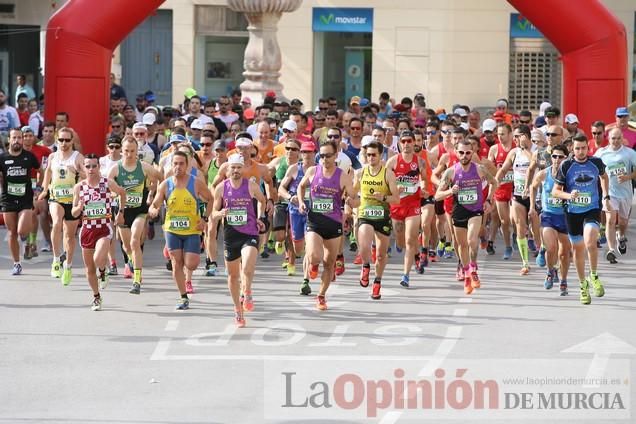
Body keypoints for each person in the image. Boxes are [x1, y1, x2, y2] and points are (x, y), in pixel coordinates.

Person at [297, 139, 358, 310]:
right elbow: (301, 187)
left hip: (333, 223)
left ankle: (321, 296)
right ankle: (313, 266)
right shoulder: (312, 171)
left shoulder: (342, 176)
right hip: (315, 220)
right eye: (321, 156)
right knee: (313, 256)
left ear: (336, 155)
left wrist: (350, 203)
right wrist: (302, 202)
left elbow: (353, 196)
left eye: (328, 156)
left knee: (329, 263)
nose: (324, 159)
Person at [148, 151, 213, 310]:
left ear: (188, 165)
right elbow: (155, 204)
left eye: (181, 163)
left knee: (191, 264)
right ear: (171, 165)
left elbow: (210, 199)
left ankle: (187, 257)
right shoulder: (166, 184)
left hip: (192, 230)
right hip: (172, 230)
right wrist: (153, 210)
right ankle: (183, 297)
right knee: (177, 264)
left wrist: (204, 219)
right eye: (175, 163)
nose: (178, 167)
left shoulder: (196, 183)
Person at [552, 135, 610, 305]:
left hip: (592, 209)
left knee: (591, 242)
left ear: (587, 147)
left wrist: (606, 196)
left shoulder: (596, 163)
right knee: (578, 250)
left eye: (583, 148)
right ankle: (583, 285)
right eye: (577, 148)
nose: (580, 151)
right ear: (572, 149)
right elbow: (556, 191)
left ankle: (594, 275)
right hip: (572, 212)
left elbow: (604, 177)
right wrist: (569, 195)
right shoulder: (566, 165)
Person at [436, 138, 497, 294]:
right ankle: (467, 275)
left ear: (473, 153)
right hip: (458, 211)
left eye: (468, 152)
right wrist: (451, 191)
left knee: (471, 240)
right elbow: (437, 196)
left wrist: (489, 199)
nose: (464, 155)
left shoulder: (480, 169)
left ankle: (473, 268)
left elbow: (494, 182)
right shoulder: (451, 171)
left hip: (476, 210)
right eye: (461, 152)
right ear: (456, 153)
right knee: (462, 245)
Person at [212, 154, 267, 327]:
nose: (236, 171)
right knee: (233, 275)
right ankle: (238, 310)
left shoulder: (251, 186)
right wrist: (219, 214)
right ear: (227, 170)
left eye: (239, 167)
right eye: (233, 167)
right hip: (230, 235)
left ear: (243, 169)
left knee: (249, 262)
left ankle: (248, 290)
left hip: (249, 232)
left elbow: (262, 200)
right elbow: (213, 213)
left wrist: (260, 217)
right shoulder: (221, 188)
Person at [71, 154, 126, 310]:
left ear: (99, 167)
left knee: (98, 259)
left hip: (104, 228)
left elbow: (122, 193)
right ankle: (96, 297)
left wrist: (120, 212)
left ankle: (102, 271)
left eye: (94, 166)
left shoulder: (107, 183)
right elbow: (74, 213)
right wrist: (79, 207)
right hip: (87, 230)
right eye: (87, 166)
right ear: (83, 168)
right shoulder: (79, 187)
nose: (91, 169)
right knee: (89, 269)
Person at [109, 137, 160, 294]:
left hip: (139, 211)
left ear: (137, 151)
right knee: (126, 246)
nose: (129, 154)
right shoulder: (115, 169)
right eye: (126, 151)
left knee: (135, 241)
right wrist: (115, 193)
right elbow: (109, 187)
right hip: (123, 211)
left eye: (132, 151)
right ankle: (131, 259)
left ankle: (137, 280)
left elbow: (159, 180)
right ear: (121, 151)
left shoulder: (144, 167)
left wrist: (151, 192)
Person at [353, 142, 399, 299]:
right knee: (364, 246)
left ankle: (377, 282)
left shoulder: (388, 174)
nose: (371, 157)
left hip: (382, 217)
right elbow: (353, 193)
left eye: (374, 155)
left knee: (380, 255)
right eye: (368, 155)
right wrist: (348, 202)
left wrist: (384, 197)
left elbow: (397, 199)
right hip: (365, 214)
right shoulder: (360, 173)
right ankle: (366, 266)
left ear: (381, 156)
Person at [39, 127, 85, 284]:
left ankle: (68, 266)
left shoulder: (78, 157)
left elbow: (88, 175)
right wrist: (45, 190)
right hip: (56, 198)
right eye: (61, 140)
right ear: (57, 140)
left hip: (72, 201)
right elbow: (48, 173)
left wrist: (78, 171)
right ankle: (56, 259)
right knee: (57, 222)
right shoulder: (53, 156)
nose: (64, 143)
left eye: (67, 140)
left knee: (69, 236)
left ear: (72, 141)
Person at [385, 130, 430, 287]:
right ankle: (415, 254)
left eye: (409, 141)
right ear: (399, 144)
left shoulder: (419, 162)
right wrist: (396, 187)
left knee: (410, 239)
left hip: (413, 204)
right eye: (403, 141)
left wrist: (423, 189)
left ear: (414, 143)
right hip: (397, 205)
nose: (406, 144)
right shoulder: (392, 162)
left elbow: (424, 179)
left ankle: (405, 275)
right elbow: (386, 183)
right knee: (401, 239)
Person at [529, 144, 571, 295]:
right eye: (554, 156)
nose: (557, 159)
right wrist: (532, 207)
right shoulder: (544, 174)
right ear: (550, 157)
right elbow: (533, 187)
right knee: (551, 247)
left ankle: (564, 280)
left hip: (565, 217)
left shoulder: (570, 175)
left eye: (561, 157)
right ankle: (549, 271)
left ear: (566, 158)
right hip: (548, 215)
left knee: (564, 253)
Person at [0, 129, 41, 275]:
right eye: (14, 138)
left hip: (25, 199)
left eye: (19, 138)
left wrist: (38, 188)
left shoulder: (29, 157)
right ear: (9, 140)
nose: (17, 140)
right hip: (8, 199)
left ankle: (27, 240)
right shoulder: (2, 158)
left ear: (22, 140)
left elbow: (40, 170)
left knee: (21, 230)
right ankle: (17, 263)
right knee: (12, 233)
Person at [495, 124, 534, 275]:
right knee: (519, 226)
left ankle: (541, 248)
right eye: (515, 136)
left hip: (534, 195)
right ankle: (525, 263)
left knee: (536, 229)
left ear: (526, 136)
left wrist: (525, 149)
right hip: (518, 195)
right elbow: (504, 169)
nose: (515, 140)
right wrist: (496, 181)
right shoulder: (513, 152)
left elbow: (535, 163)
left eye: (518, 136)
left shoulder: (535, 150)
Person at [278, 141, 316, 293]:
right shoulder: (294, 169)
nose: (307, 155)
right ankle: (306, 260)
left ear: (315, 153)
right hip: (295, 212)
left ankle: (306, 280)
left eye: (310, 152)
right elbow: (281, 188)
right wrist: (289, 197)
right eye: (304, 152)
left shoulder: (319, 170)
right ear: (301, 153)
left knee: (310, 247)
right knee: (298, 248)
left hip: (313, 213)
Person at [594, 128, 636, 263]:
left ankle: (621, 236)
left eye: (618, 138)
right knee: (611, 219)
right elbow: (592, 167)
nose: (616, 141)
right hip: (609, 193)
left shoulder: (629, 153)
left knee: (623, 222)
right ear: (608, 138)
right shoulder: (601, 153)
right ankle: (611, 249)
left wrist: (627, 177)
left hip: (625, 193)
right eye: (613, 138)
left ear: (622, 138)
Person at [488, 123, 515, 259]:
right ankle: (508, 246)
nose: (500, 137)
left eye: (503, 134)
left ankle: (517, 234)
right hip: (501, 189)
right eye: (498, 134)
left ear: (510, 134)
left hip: (515, 188)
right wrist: (497, 173)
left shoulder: (517, 148)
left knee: (514, 218)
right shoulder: (494, 149)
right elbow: (488, 169)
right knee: (504, 221)